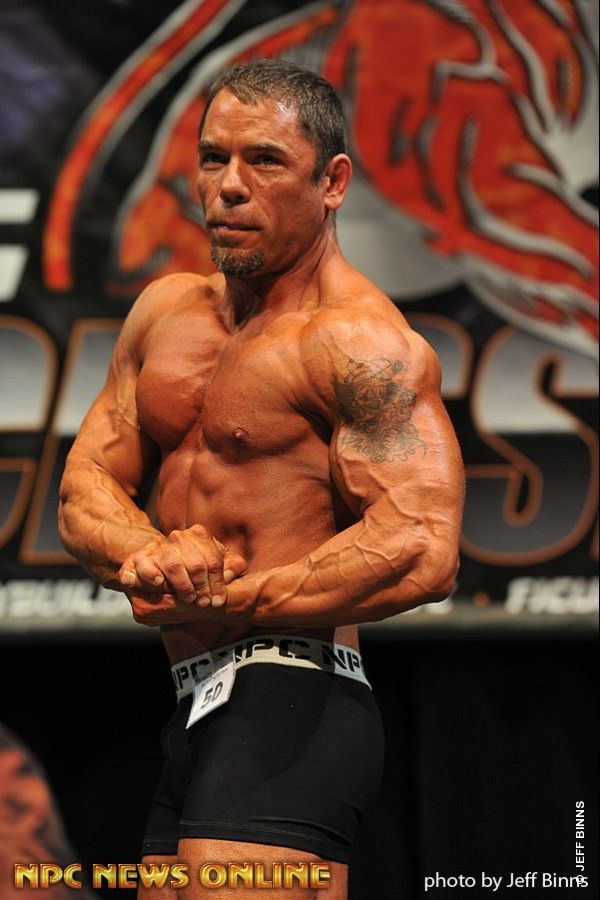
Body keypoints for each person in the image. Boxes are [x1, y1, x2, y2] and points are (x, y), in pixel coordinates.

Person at [58, 58, 464, 899]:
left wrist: (232, 596)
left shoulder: (358, 342)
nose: (230, 186)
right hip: (194, 701)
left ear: (333, 182)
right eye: (214, 158)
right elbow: (85, 485)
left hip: (294, 696)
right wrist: (149, 556)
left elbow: (422, 547)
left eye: (265, 161)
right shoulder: (165, 313)